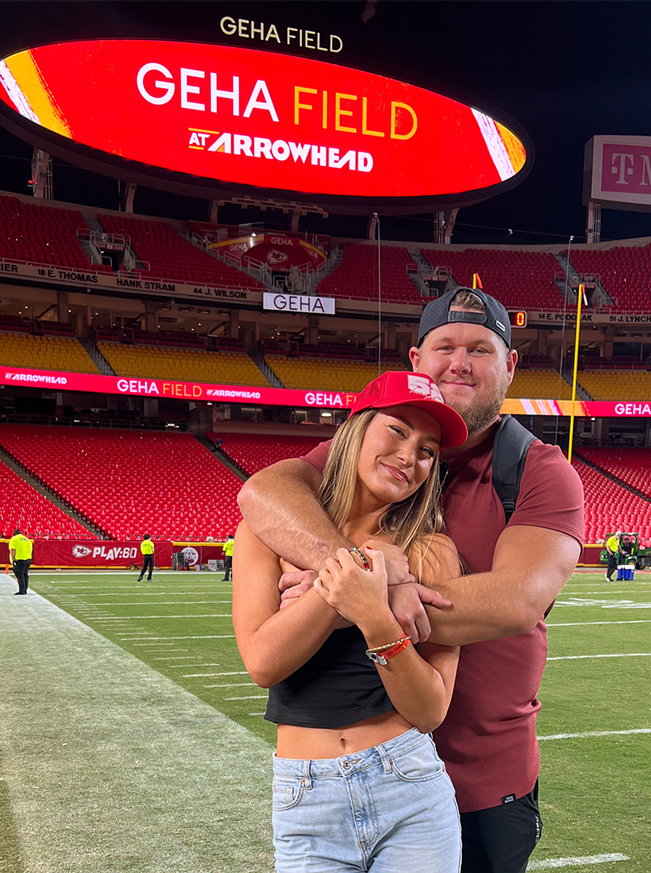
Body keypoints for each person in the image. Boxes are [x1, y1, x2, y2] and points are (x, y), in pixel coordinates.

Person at [238, 286, 585, 873]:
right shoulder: (371, 443)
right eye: (444, 346)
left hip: (481, 778)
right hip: (335, 768)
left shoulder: (540, 471)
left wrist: (368, 592)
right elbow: (262, 493)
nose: (460, 361)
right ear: (416, 362)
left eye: (479, 348)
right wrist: (350, 572)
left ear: (509, 365)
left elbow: (516, 601)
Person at [233, 369, 470, 873]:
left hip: (408, 785)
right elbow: (262, 663)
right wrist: (362, 572)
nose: (410, 456)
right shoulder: (268, 530)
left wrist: (371, 612)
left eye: (428, 450)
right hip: (305, 792)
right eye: (398, 430)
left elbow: (430, 710)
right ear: (354, 430)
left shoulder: (430, 550)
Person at [8, 528, 33, 595]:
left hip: (19, 559)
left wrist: (13, 559)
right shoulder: (27, 540)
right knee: (25, 575)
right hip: (28, 559)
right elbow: (30, 550)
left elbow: (12, 550)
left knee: (19, 575)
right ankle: (25, 589)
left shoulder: (14, 539)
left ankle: (22, 590)